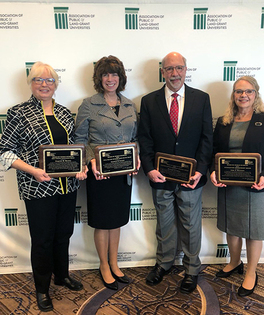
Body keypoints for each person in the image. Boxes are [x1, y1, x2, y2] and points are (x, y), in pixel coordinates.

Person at [0, 62, 87, 312]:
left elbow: (73, 150)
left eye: (49, 80)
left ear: (56, 84)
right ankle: (42, 289)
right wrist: (33, 170)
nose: (44, 84)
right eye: (38, 79)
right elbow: (4, 152)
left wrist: (80, 167)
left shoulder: (63, 113)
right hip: (37, 188)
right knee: (42, 240)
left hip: (67, 187)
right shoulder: (18, 113)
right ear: (31, 83)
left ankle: (61, 276)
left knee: (63, 235)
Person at [138, 52, 213, 294]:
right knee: (165, 224)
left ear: (186, 69)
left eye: (179, 68)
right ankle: (164, 263)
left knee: (191, 225)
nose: (174, 73)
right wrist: (149, 169)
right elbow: (145, 139)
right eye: (169, 69)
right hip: (160, 177)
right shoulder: (149, 101)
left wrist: (201, 170)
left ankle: (192, 269)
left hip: (192, 179)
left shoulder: (201, 99)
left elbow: (206, 139)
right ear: (163, 72)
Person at [74, 55, 140, 291]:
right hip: (99, 173)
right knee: (103, 222)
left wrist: (137, 155)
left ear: (121, 78)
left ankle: (115, 262)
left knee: (117, 221)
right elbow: (80, 140)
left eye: (114, 74)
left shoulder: (130, 104)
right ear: (98, 78)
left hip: (123, 173)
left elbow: (134, 138)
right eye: (105, 74)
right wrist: (90, 160)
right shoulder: (88, 104)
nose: (110, 79)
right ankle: (104, 265)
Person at [210, 76, 264, 297]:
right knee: (231, 226)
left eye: (248, 91)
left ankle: (251, 272)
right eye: (239, 91)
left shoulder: (263, 119)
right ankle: (234, 262)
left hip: (255, 185)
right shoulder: (224, 121)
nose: (243, 95)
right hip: (228, 183)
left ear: (256, 94)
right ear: (233, 95)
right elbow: (213, 150)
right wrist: (213, 171)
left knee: (253, 230)